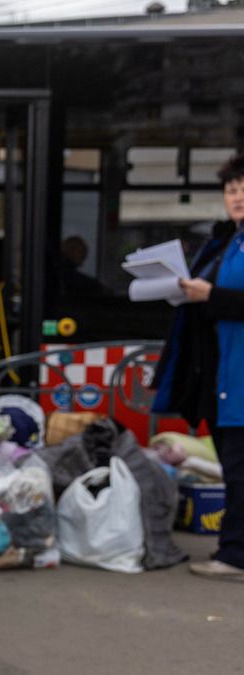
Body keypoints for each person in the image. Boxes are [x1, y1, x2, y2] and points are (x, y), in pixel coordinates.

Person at [154, 153, 244, 582]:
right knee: (234, 466)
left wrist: (213, 297)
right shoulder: (227, 241)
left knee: (241, 468)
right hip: (222, 376)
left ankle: (235, 555)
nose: (237, 196)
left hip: (240, 379)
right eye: (231, 189)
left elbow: (225, 299)